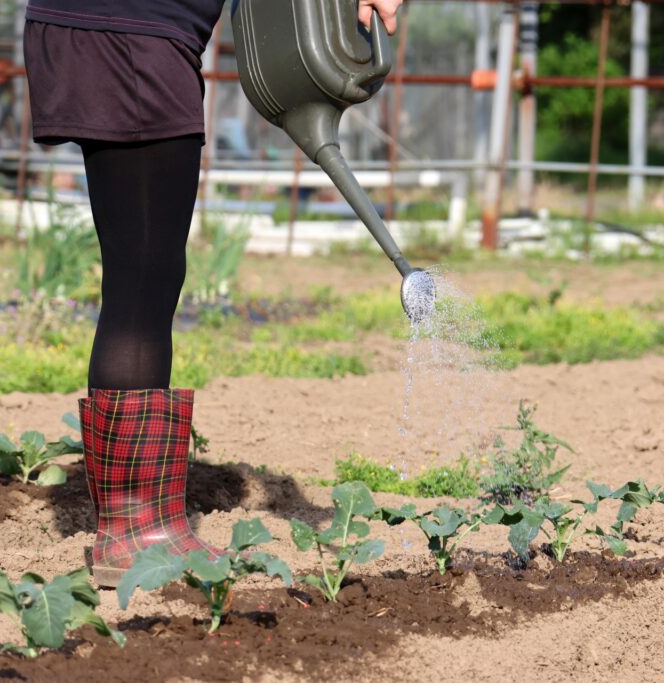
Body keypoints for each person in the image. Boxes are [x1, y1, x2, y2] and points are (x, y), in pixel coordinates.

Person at [22, 0, 402, 587]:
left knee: (140, 271)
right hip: (136, 34)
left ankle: (133, 519)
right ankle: (134, 529)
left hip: (98, 26)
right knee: (143, 277)